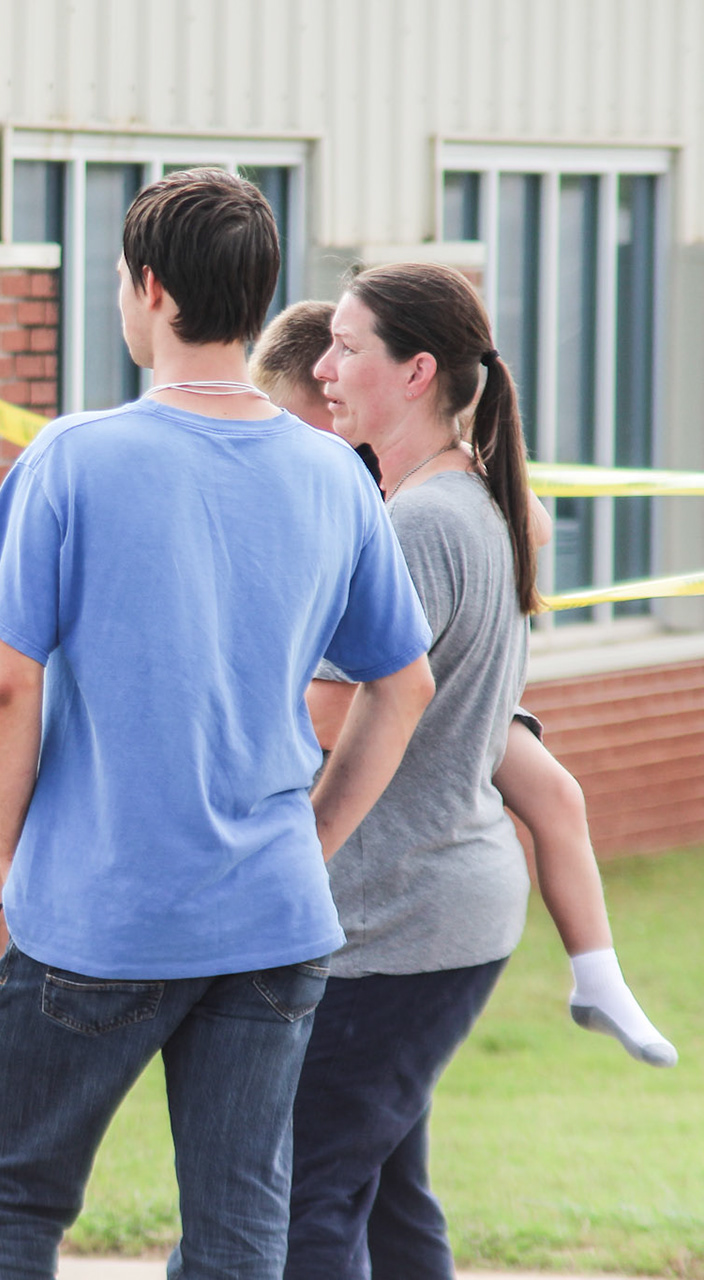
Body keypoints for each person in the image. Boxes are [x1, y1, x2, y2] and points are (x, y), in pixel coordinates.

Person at [0, 168, 436, 1280]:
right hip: (270, 913)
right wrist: (308, 841)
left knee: (7, 1199)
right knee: (240, 1231)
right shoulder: (335, 474)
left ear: (149, 290)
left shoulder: (73, 457)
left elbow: (6, 686)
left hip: (96, 909)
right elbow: (402, 684)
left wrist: (15, 862)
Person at [252, 302, 676, 1069]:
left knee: (557, 796)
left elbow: (529, 526)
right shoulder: (320, 479)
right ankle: (597, 976)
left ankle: (598, 973)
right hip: (426, 690)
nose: (307, 427)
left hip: (442, 689)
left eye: (313, 406)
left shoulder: (411, 490)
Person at [284, 261, 579, 1278]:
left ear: (415, 372)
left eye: (347, 346)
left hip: (392, 922)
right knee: (387, 1200)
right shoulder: (462, 500)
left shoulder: (416, 523)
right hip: (439, 907)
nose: (323, 364)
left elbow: (329, 709)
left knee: (301, 1202)